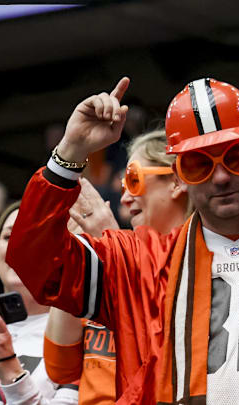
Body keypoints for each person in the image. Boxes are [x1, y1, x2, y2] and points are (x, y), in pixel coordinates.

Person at [6, 77, 239, 404]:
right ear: (180, 176)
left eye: (236, 157)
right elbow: (35, 264)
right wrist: (70, 151)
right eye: (199, 164)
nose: (222, 176)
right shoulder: (135, 262)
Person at [42, 130, 191, 405]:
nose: (124, 199)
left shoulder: (207, 255)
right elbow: (60, 366)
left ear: (176, 181)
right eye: (123, 186)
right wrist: (75, 257)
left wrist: (115, 249)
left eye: (134, 181)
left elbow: (175, 358)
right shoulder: (109, 253)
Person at [0, 202, 78, 405]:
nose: (19, 245)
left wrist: (10, 370)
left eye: (34, 236)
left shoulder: (73, 342)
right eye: (8, 236)